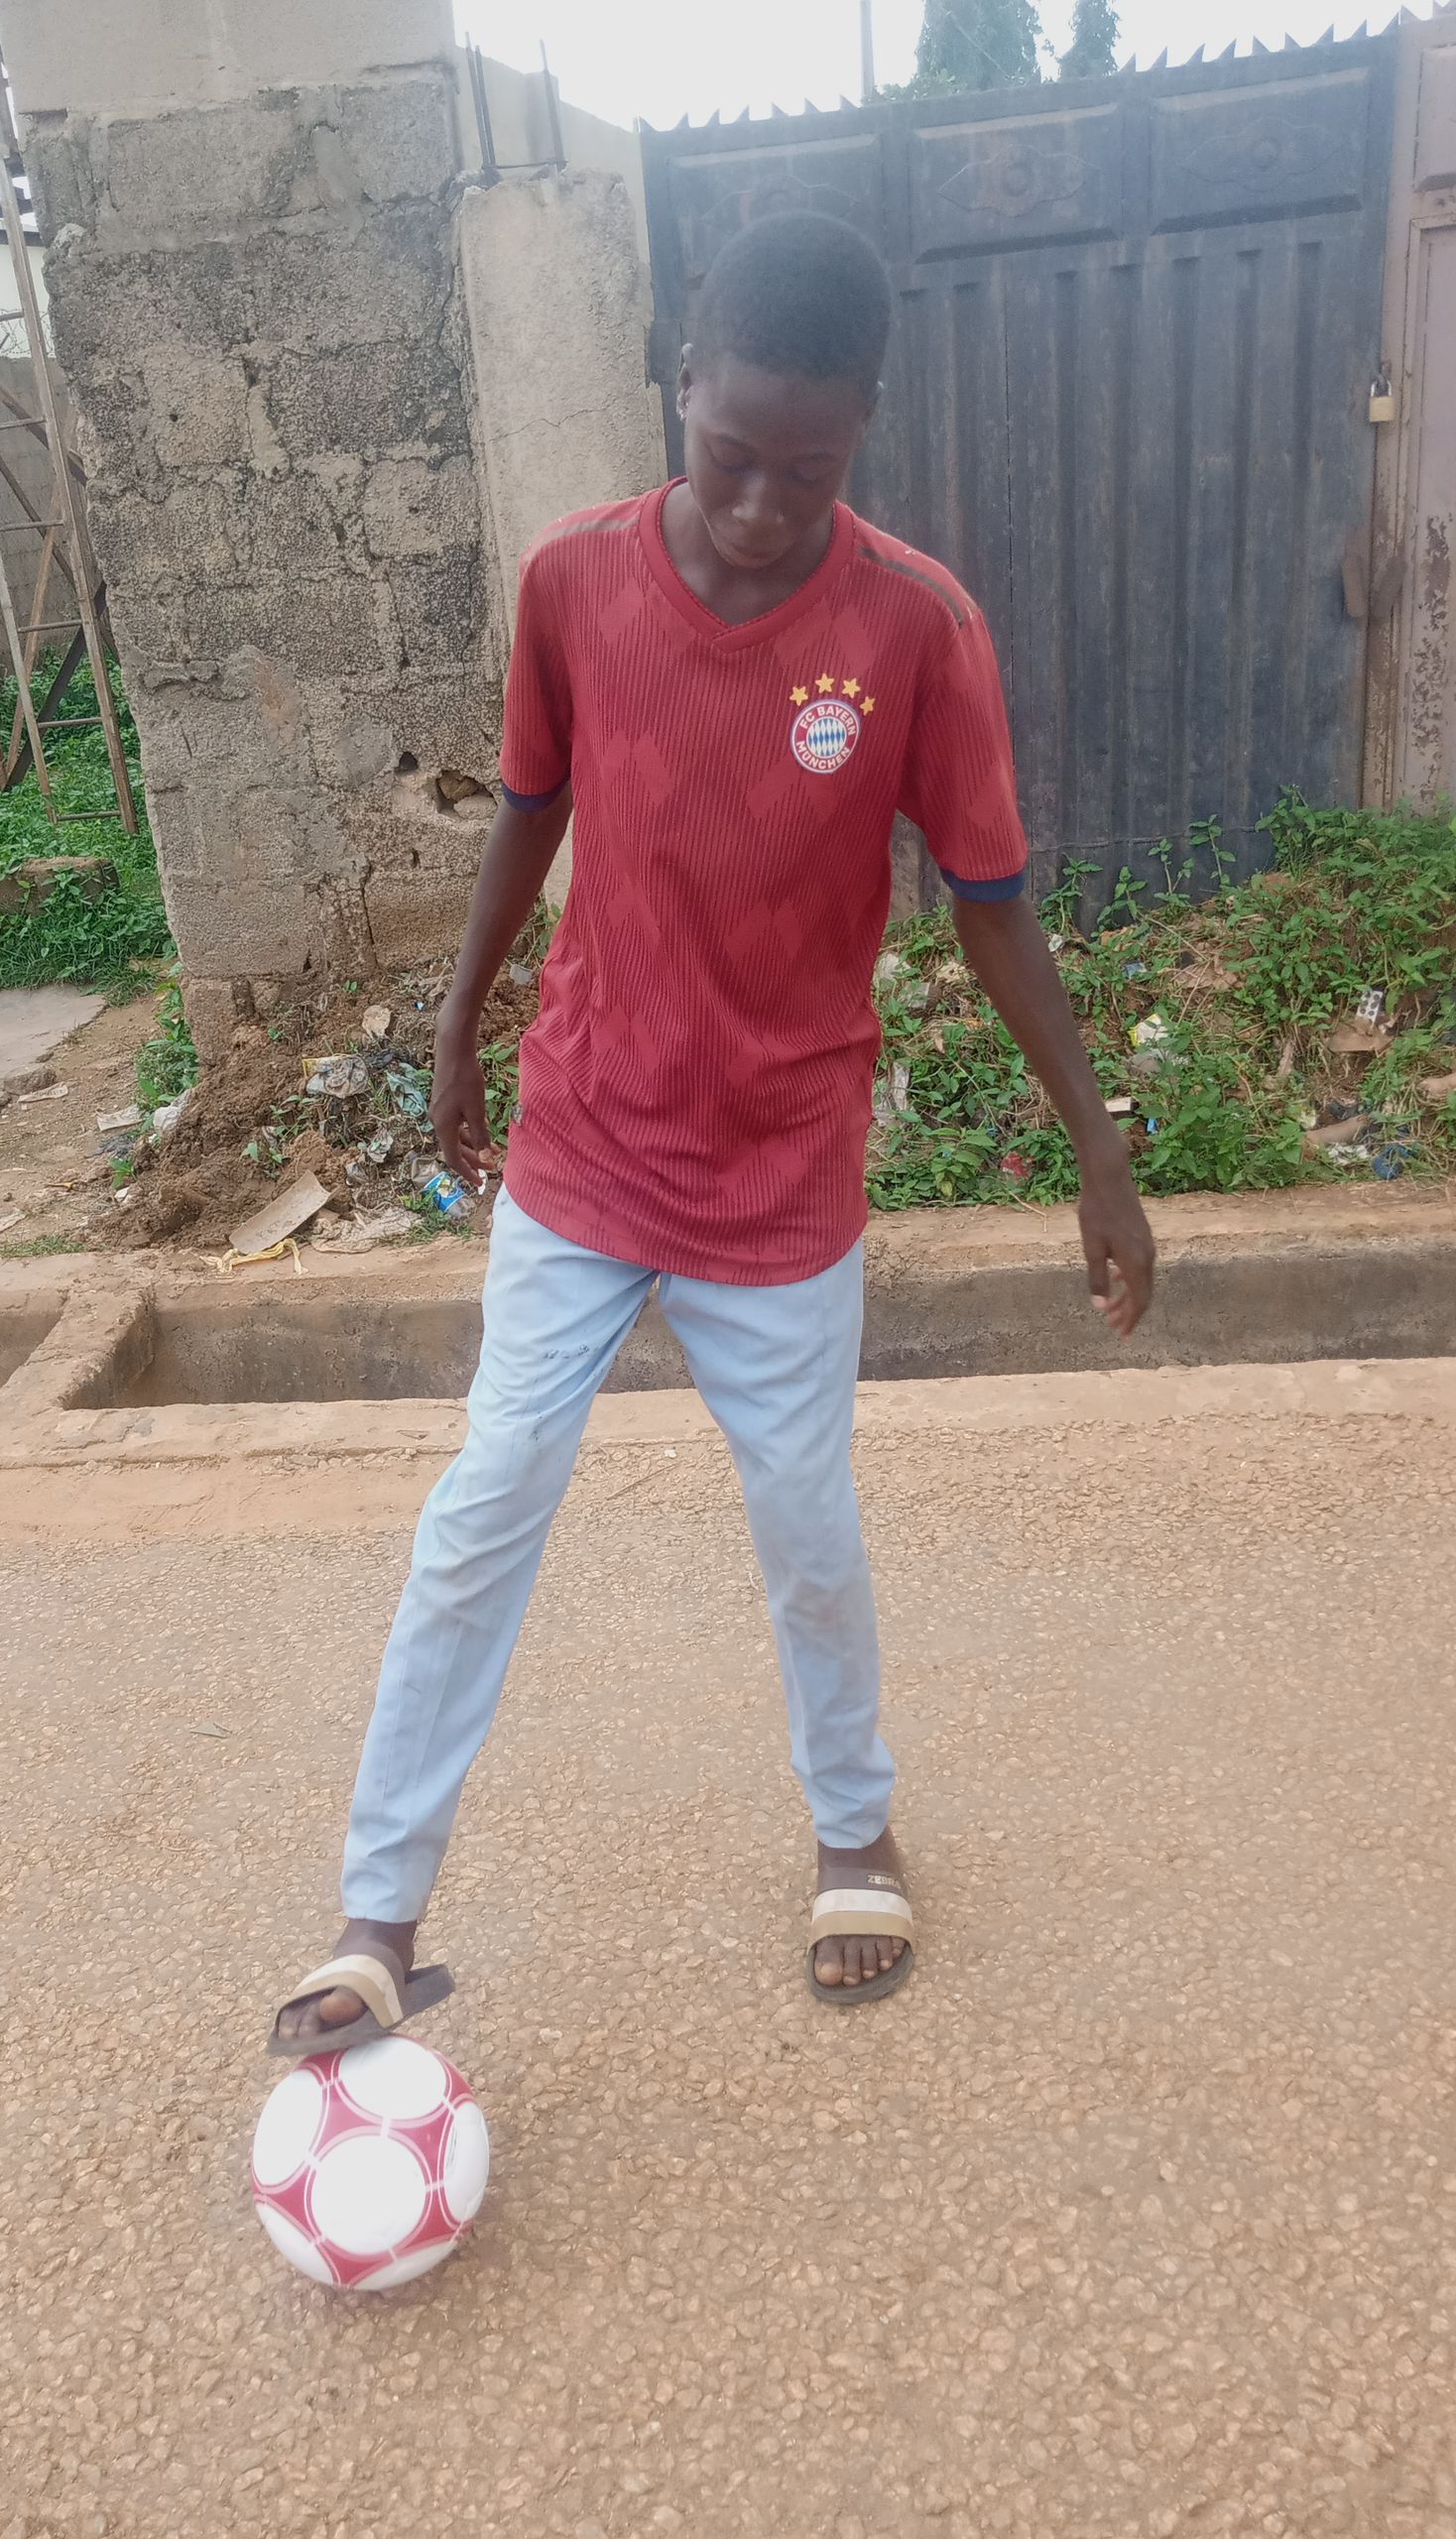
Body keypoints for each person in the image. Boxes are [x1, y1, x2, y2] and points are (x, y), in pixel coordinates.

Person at [270, 209, 1154, 2051]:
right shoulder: (574, 583)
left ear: (864, 431)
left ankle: (856, 1829)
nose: (760, 504)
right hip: (590, 1133)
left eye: (805, 471)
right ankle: (376, 1913)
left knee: (806, 1522)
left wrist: (1098, 1145)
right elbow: (531, 806)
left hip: (780, 1162)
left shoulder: (917, 627)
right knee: (488, 1497)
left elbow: (993, 903)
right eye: (731, 453)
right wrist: (461, 1015)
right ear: (682, 386)